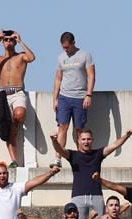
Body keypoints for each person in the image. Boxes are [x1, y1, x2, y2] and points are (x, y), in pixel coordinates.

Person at [51, 128, 132, 219]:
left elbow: (114, 145)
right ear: (79, 141)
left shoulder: (98, 154)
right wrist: (54, 140)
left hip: (96, 196)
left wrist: (126, 136)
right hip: (78, 196)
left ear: (92, 140)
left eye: (88, 139)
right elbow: (59, 149)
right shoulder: (73, 155)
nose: (86, 142)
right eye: (83, 139)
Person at [0, 29, 35, 166]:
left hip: (17, 92)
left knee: (19, 114)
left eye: (10, 40)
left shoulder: (21, 56)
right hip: (3, 95)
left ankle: (14, 125)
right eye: (6, 40)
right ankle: (14, 160)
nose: (8, 42)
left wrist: (20, 41)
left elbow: (32, 58)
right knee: (7, 130)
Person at [52, 31, 95, 165]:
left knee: (79, 129)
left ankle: (81, 158)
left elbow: (91, 76)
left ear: (73, 43)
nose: (66, 50)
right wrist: (55, 98)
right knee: (62, 127)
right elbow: (58, 78)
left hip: (80, 97)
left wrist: (89, 94)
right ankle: (58, 158)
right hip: (64, 97)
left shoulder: (85, 55)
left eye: (67, 47)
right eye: (63, 47)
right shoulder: (60, 58)